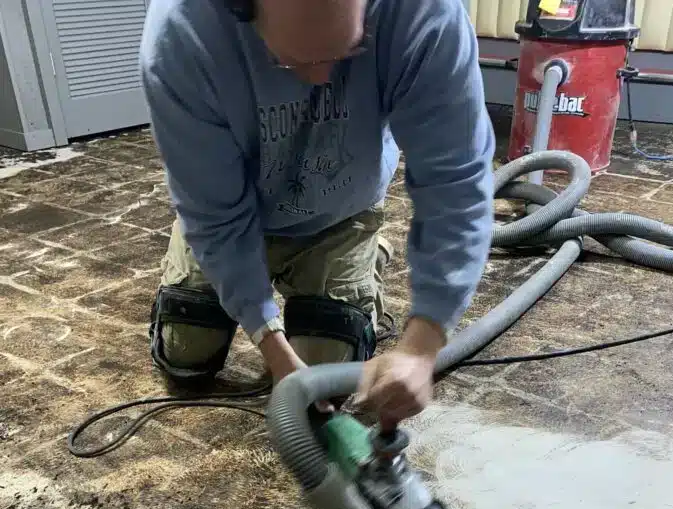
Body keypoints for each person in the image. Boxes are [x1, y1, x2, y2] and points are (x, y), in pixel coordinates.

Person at [139, 0, 494, 428]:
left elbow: (455, 182)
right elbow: (213, 214)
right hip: (233, 207)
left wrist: (422, 346)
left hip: (340, 212)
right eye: (290, 62)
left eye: (350, 50)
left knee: (328, 368)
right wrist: (274, 350)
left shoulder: (425, 13)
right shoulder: (181, 33)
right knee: (185, 352)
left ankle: (365, 254)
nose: (321, 79)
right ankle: (203, 259)